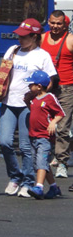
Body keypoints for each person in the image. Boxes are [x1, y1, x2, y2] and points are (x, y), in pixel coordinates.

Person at [0, 18, 56, 198]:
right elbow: (0, 74)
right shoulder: (13, 50)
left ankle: (28, 181)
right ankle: (15, 176)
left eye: (24, 37)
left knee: (25, 146)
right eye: (19, 36)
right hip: (9, 102)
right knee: (6, 142)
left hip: (28, 106)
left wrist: (40, 98)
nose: (20, 39)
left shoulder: (42, 56)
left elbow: (51, 80)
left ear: (34, 37)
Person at [40, 10, 73, 179]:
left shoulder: (70, 39)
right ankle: (44, 159)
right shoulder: (42, 38)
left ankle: (62, 163)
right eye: (52, 23)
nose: (55, 26)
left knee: (63, 127)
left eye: (59, 23)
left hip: (66, 88)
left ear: (64, 24)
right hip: (45, 89)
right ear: (48, 22)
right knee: (43, 125)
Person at [23, 70, 64, 200]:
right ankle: (53, 187)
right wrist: (27, 101)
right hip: (34, 136)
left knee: (41, 162)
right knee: (40, 163)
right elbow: (35, 111)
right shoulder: (34, 99)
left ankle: (39, 187)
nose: (29, 87)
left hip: (45, 137)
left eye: (31, 84)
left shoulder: (49, 98)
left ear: (39, 86)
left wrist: (53, 122)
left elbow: (60, 113)